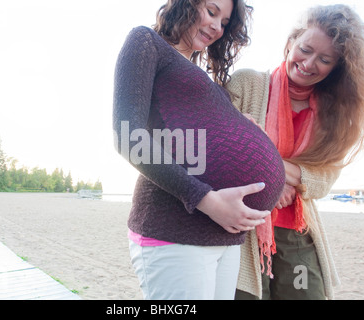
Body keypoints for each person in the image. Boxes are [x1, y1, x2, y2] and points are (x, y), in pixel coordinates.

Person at [113, 0, 286, 300]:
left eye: (225, 22)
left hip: (224, 238)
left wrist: (237, 125)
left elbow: (193, 136)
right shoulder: (147, 42)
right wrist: (206, 200)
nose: (217, 27)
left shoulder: (202, 76)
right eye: (211, 12)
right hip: (174, 232)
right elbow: (128, 137)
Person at [227, 4, 364, 300]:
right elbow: (223, 151)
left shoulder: (333, 114)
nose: (309, 63)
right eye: (306, 49)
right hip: (243, 229)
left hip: (297, 229)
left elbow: (324, 180)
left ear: (337, 67)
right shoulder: (247, 84)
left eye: (325, 59)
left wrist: (275, 171)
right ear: (290, 42)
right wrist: (275, 181)